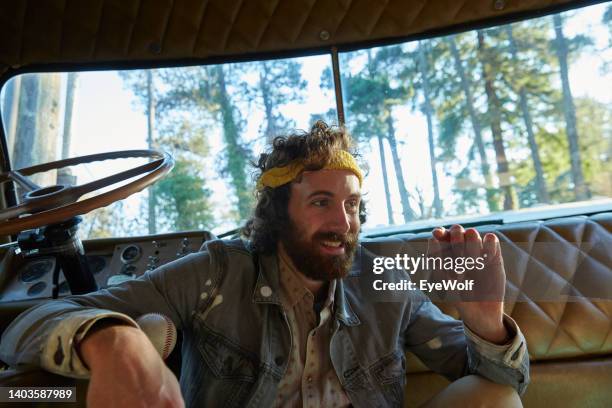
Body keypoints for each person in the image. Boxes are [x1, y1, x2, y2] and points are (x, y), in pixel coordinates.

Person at [0, 121, 529, 407]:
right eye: (320, 202)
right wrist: (115, 341)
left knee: (496, 397)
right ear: (278, 213)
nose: (341, 222)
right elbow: (26, 325)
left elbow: (505, 381)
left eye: (350, 204)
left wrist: (486, 324)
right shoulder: (216, 273)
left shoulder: (384, 279)